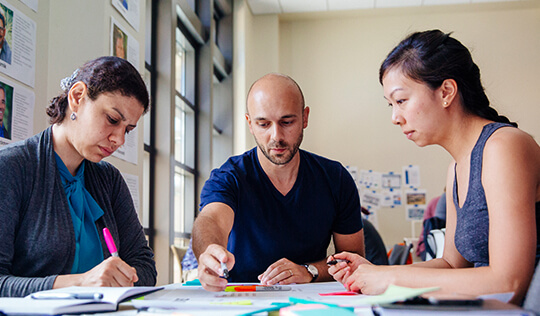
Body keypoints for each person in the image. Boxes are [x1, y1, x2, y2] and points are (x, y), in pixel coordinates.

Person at [329, 30, 540, 305]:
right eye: (390, 105)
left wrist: (390, 280)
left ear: (446, 92)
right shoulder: (456, 166)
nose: (395, 118)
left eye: (401, 100)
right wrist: (373, 273)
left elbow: (508, 282)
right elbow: (452, 265)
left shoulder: (503, 146)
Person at [0, 56, 157, 297]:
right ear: (77, 97)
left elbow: (145, 265)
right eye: (113, 120)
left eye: (127, 129)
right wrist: (80, 283)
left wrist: (122, 279)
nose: (119, 140)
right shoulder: (11, 168)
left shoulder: (109, 180)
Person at [192, 73, 365, 292]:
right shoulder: (229, 177)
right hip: (241, 299)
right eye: (263, 123)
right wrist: (210, 251)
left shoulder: (335, 178)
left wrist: (309, 271)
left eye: (287, 122)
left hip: (311, 303)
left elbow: (354, 259)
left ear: (305, 117)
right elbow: (211, 219)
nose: (276, 136)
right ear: (250, 124)